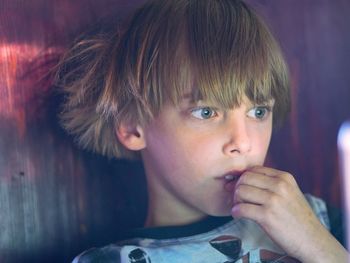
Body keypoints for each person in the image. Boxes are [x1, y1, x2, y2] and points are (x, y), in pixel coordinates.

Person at [55, 0, 349, 262]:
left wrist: (320, 247)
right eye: (206, 112)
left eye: (259, 112)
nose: (243, 143)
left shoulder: (316, 221)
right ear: (132, 125)